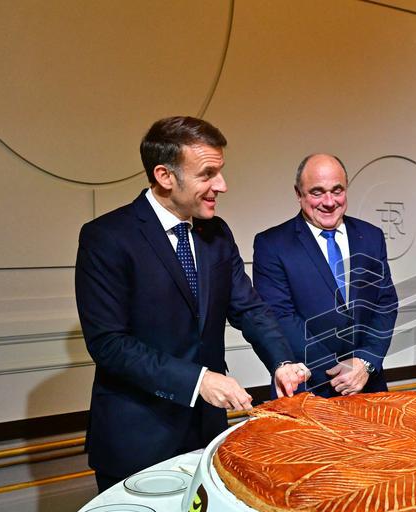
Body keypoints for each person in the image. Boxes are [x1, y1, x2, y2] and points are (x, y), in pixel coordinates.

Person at [75, 116, 309, 492]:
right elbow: (109, 344)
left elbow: (249, 308)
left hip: (206, 432)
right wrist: (198, 380)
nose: (222, 185)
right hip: (137, 436)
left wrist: (282, 362)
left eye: (221, 172)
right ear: (166, 176)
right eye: (208, 174)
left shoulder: (217, 233)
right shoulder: (106, 238)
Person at [253, 153, 398, 397]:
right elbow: (280, 317)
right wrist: (338, 372)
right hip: (308, 387)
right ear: (299, 194)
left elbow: (385, 304)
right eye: (317, 192)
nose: (329, 201)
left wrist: (364, 362)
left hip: (367, 383)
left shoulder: (371, 236)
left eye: (337, 190)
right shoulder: (272, 244)